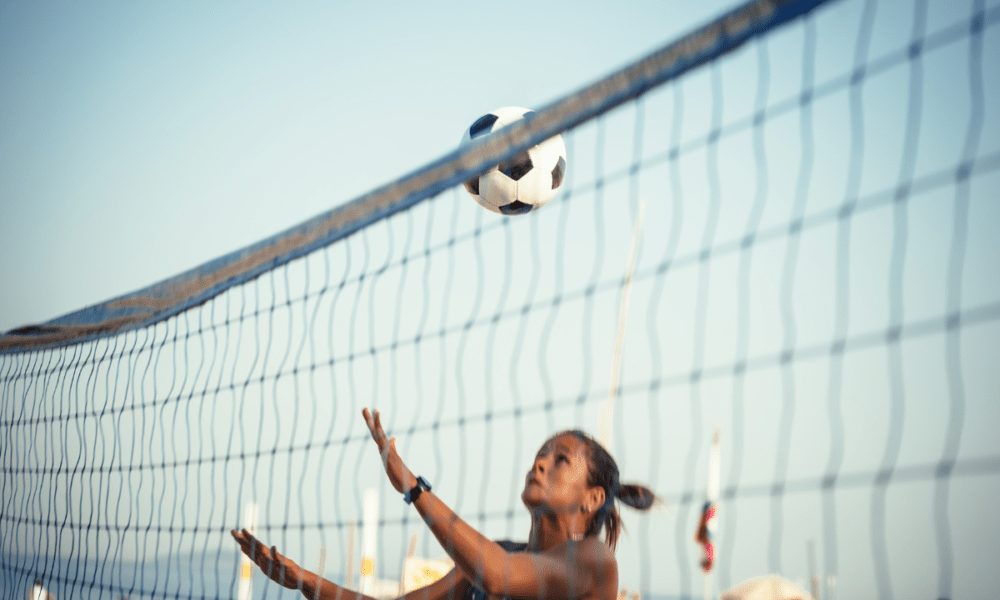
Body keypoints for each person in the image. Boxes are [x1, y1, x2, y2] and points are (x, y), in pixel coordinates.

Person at [232, 408, 658, 600]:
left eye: (560, 459)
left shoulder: (593, 560)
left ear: (593, 498)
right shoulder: (503, 552)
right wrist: (305, 581)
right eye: (541, 453)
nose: (540, 462)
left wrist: (412, 486)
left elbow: (497, 576)